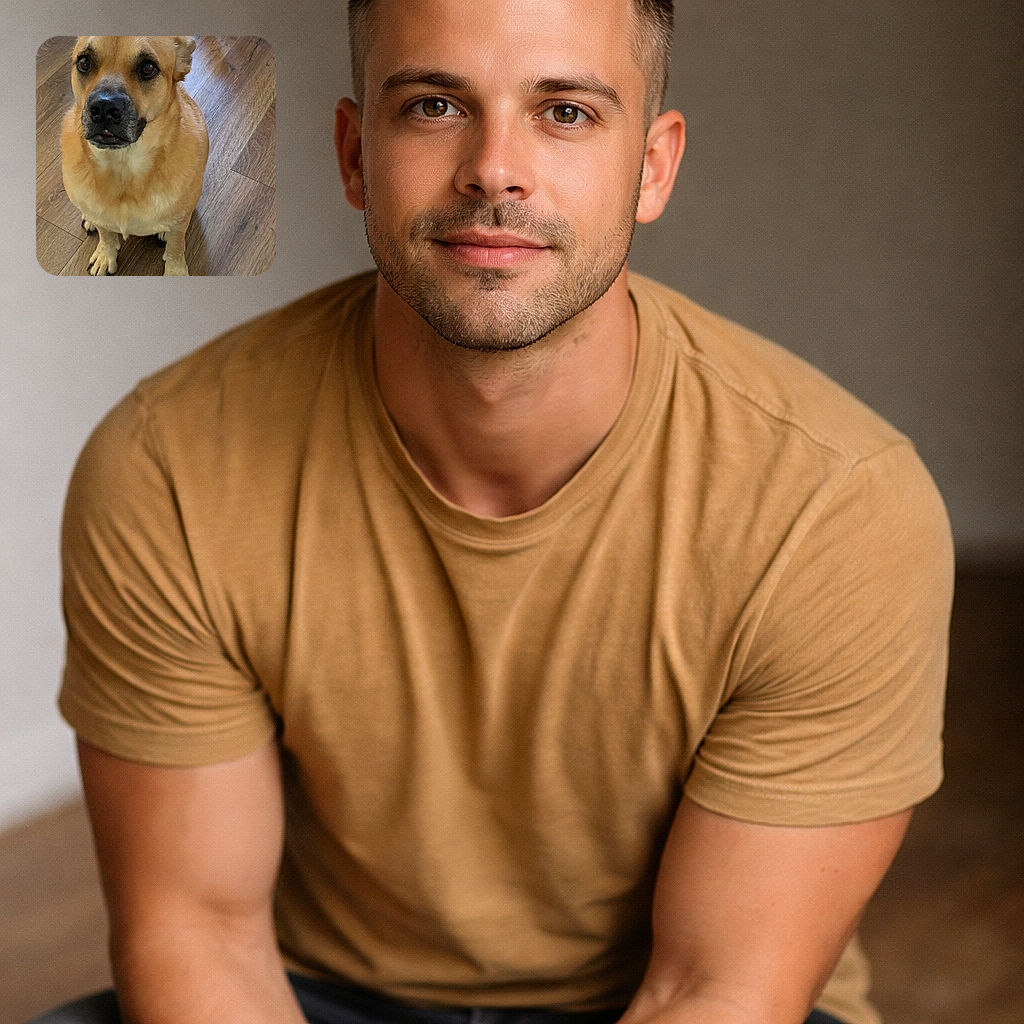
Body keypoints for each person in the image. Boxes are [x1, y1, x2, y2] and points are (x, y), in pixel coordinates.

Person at [51, 1, 953, 1023]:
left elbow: (718, 987)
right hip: (314, 994)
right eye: (434, 105)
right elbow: (201, 936)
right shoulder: (168, 466)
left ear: (652, 166)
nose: (493, 170)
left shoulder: (836, 509)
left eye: (565, 112)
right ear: (354, 155)